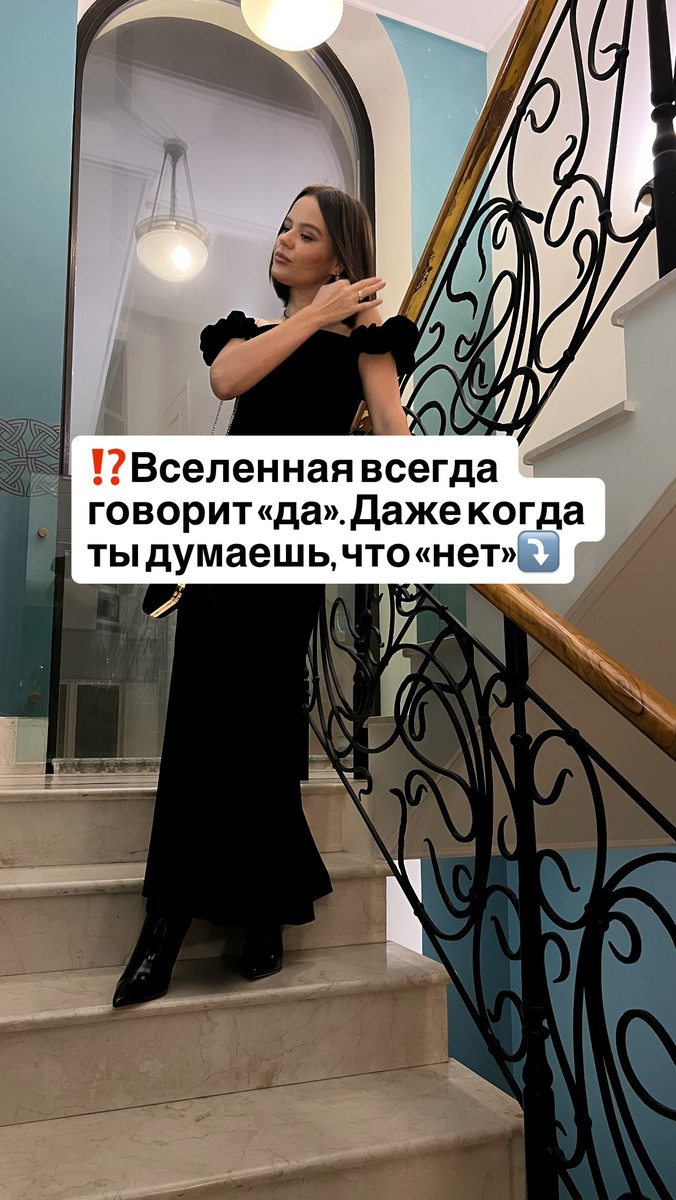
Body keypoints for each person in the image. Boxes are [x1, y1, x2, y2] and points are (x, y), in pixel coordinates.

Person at [112, 184, 421, 1008]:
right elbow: (227, 380)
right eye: (285, 226)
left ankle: (264, 912)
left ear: (340, 254)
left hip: (295, 548)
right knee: (200, 717)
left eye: (306, 233)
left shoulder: (370, 342)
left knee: (267, 721)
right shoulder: (247, 329)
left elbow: (394, 435)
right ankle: (164, 924)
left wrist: (375, 367)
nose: (284, 239)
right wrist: (315, 318)